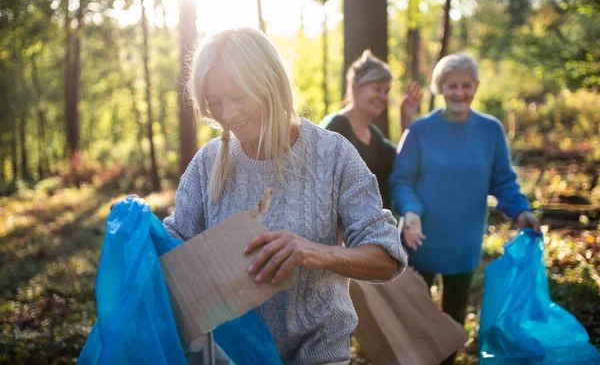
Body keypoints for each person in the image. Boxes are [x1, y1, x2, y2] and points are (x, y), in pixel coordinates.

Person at [161, 28, 406, 365]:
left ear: (270, 82)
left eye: (237, 96)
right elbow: (174, 252)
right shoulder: (208, 163)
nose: (227, 114)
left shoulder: (332, 155)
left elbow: (386, 258)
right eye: (214, 101)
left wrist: (314, 252)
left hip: (317, 354)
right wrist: (138, 236)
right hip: (230, 356)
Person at [388, 53, 540, 362]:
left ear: (476, 87)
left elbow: (503, 180)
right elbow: (402, 180)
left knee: (454, 316)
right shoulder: (420, 131)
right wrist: (411, 212)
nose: (459, 93)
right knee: (412, 315)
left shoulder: (490, 131)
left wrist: (521, 211)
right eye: (451, 85)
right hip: (420, 239)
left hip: (464, 241)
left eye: (466, 86)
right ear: (439, 87)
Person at [320, 49, 422, 210]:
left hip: (374, 231)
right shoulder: (335, 127)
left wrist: (406, 120)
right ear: (354, 86)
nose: (383, 96)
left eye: (386, 91)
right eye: (377, 88)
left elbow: (405, 166)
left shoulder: (375, 136)